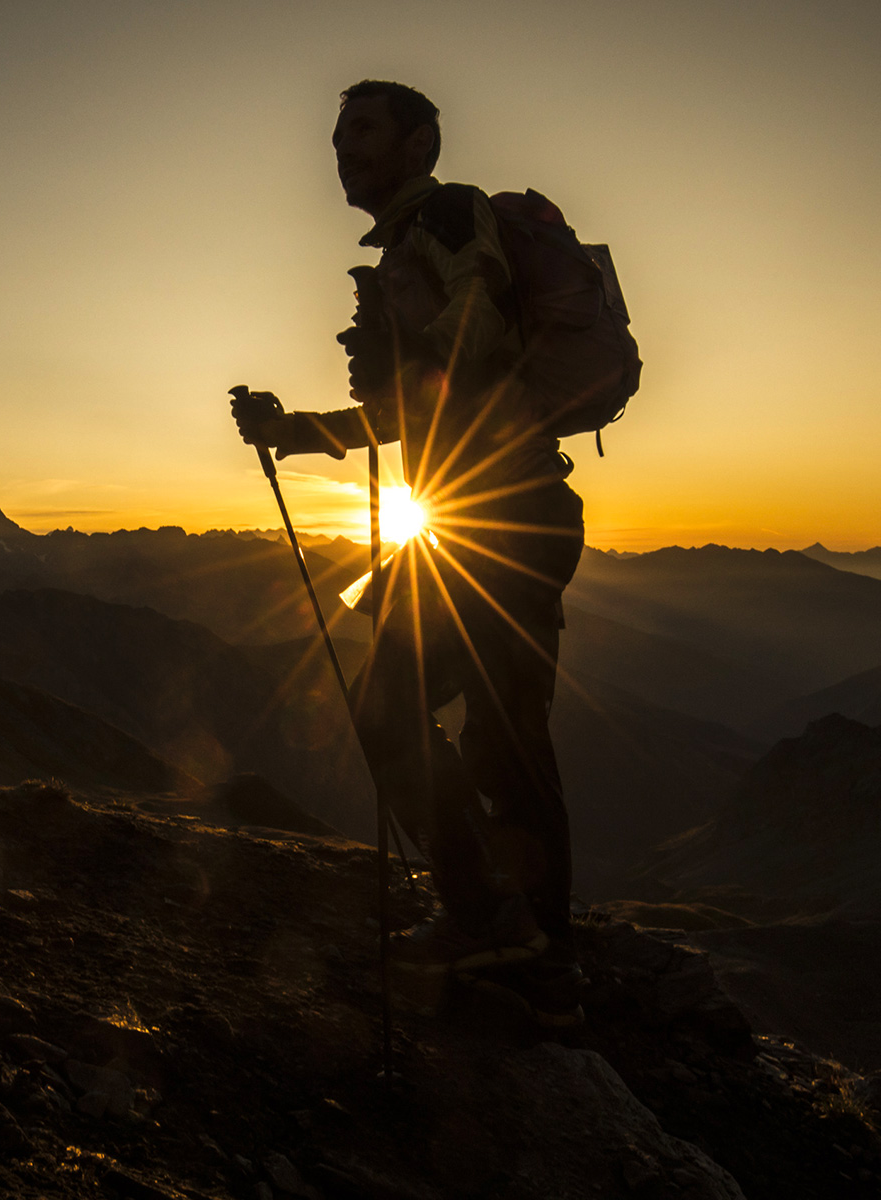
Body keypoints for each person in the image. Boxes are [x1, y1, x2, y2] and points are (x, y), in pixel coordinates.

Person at [230, 81, 587, 1000]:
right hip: (503, 515)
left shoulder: (450, 215)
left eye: (362, 132)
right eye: (338, 136)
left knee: (399, 707)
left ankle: (486, 918)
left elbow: (469, 328)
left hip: (496, 518)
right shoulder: (403, 245)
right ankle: (538, 961)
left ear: (418, 142)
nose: (344, 151)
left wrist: (410, 347)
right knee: (509, 742)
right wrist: (296, 430)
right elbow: (410, 407)